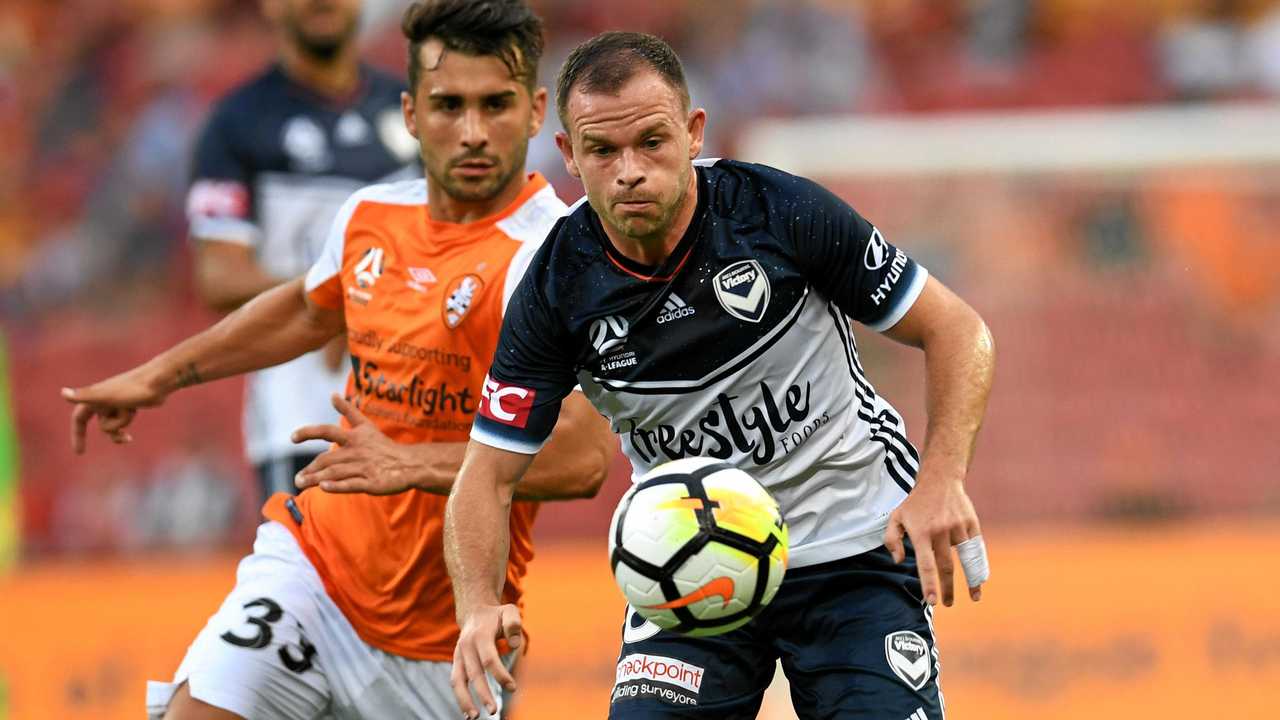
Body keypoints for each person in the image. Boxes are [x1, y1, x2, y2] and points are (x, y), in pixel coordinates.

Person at [62, 2, 616, 719]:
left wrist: (409, 462)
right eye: (449, 105)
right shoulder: (369, 218)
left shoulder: (555, 260)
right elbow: (306, 308)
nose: (473, 132)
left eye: (496, 104)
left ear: (537, 110)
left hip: (443, 635)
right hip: (313, 568)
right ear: (410, 113)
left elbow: (584, 462)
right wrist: (159, 376)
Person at [445, 31, 996, 720]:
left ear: (693, 130)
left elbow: (957, 329)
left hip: (853, 543)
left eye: (652, 142)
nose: (629, 171)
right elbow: (485, 475)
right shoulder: (556, 287)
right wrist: (475, 608)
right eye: (602, 150)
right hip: (684, 571)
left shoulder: (779, 212)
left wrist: (941, 478)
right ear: (568, 155)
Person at [187, 0, 420, 502]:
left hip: (418, 387)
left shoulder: (411, 108)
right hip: (301, 397)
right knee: (306, 570)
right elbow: (220, 276)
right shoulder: (236, 122)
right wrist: (337, 296)